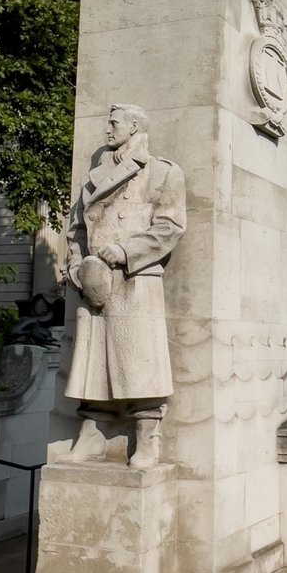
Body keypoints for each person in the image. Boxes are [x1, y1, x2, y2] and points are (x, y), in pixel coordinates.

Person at [61, 104, 186, 469]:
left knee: (139, 362)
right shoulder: (94, 174)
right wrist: (75, 267)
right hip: (95, 282)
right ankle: (92, 432)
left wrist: (123, 251)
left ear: (134, 127)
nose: (107, 130)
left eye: (114, 123)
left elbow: (170, 227)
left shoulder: (162, 171)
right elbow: (76, 232)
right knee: (92, 364)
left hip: (135, 277)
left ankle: (147, 437)